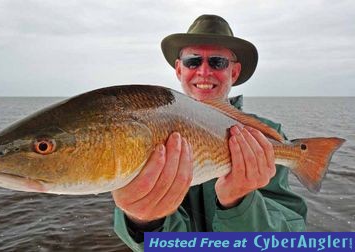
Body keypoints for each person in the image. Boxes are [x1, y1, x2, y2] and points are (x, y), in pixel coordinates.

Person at [112, 14, 307, 251]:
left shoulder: (266, 135)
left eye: (217, 62)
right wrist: (143, 222)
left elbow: (289, 239)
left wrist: (239, 201)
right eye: (193, 61)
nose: (204, 72)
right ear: (178, 69)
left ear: (234, 73)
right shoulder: (154, 129)